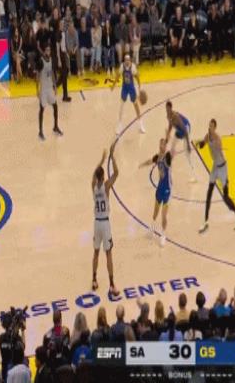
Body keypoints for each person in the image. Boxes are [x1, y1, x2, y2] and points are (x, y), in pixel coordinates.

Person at [197, 118, 235, 233]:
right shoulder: (208, 135)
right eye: (209, 125)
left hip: (223, 168)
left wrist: (212, 143)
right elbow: (203, 144)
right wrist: (201, 143)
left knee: (226, 197)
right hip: (215, 167)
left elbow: (218, 147)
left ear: (215, 127)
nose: (209, 127)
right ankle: (205, 221)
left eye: (211, 126)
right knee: (209, 193)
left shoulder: (218, 139)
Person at [91, 145, 120, 296]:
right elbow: (117, 173)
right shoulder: (106, 186)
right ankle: (112, 284)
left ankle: (94, 279)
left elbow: (94, 173)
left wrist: (101, 160)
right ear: (103, 177)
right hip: (105, 223)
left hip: (96, 223)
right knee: (108, 254)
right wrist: (112, 156)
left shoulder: (93, 186)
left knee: (96, 252)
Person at [139, 138, 172, 247]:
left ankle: (163, 236)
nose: (162, 146)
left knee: (164, 215)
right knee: (155, 212)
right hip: (160, 188)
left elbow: (171, 155)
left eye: (164, 145)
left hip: (167, 189)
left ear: (165, 146)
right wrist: (141, 165)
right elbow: (150, 161)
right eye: (161, 144)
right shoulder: (157, 157)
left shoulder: (167, 157)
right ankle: (151, 229)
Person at [111, 53, 145, 134]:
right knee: (121, 106)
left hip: (131, 88)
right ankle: (119, 125)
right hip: (125, 88)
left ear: (130, 60)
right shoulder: (122, 67)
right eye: (125, 60)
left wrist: (140, 86)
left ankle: (141, 124)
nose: (127, 61)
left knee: (136, 106)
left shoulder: (133, 67)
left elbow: (137, 77)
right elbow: (117, 76)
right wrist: (113, 85)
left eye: (128, 60)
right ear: (124, 60)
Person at [165, 100, 196, 182]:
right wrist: (166, 138)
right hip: (179, 131)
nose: (167, 110)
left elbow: (185, 131)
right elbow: (170, 127)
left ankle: (194, 175)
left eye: (168, 109)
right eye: (166, 109)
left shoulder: (176, 117)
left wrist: (188, 145)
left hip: (186, 129)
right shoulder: (168, 116)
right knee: (172, 148)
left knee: (187, 153)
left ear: (171, 108)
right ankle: (169, 170)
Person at [37, 45, 63, 140]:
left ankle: (55, 126)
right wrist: (37, 90)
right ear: (44, 51)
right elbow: (37, 75)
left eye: (49, 50)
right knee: (42, 109)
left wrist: (55, 86)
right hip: (43, 89)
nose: (48, 51)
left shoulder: (51, 59)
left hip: (50, 88)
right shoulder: (40, 61)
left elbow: (52, 73)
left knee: (55, 106)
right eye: (47, 50)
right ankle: (40, 131)